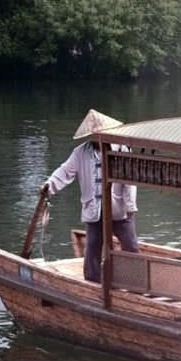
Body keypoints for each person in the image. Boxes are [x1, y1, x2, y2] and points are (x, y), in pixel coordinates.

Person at [41, 109, 139, 282]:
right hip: (95, 210)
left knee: (130, 246)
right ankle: (93, 282)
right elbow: (65, 171)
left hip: (119, 210)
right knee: (93, 247)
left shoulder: (122, 149)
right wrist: (49, 185)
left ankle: (136, 280)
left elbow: (129, 182)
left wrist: (130, 206)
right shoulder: (81, 153)